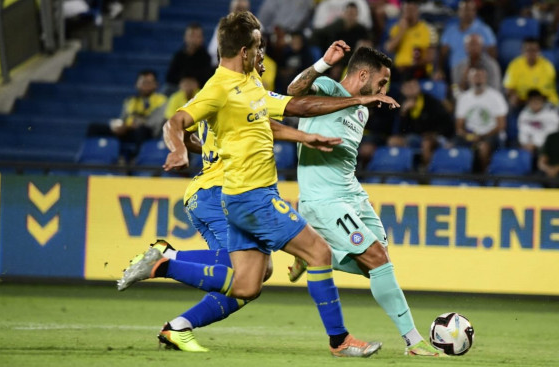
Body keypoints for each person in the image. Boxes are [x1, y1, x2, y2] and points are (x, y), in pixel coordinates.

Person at [118, 11, 387, 358]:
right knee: (318, 253)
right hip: (250, 196)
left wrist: (308, 134)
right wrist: (178, 150)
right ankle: (340, 341)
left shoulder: (249, 85)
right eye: (259, 47)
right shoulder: (218, 89)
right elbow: (177, 120)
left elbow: (287, 108)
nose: (263, 54)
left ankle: (166, 268)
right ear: (244, 51)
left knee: (247, 284)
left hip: (236, 196)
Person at [285, 46, 440, 356]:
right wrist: (323, 64)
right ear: (364, 75)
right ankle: (413, 341)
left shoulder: (363, 111)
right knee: (375, 257)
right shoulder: (329, 88)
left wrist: (364, 101)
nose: (383, 91)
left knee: (379, 261)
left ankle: (312, 250)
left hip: (352, 193)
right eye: (382, 83)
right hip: (324, 199)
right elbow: (293, 91)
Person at [454, 68, 508, 172]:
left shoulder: (495, 96)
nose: (478, 79)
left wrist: (482, 136)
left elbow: (501, 125)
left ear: (486, 78)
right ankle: (460, 177)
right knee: (451, 147)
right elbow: (459, 126)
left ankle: (483, 177)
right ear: (469, 79)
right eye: (475, 76)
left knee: (483, 147)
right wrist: (468, 135)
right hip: (470, 134)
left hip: (491, 134)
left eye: (481, 76)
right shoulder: (464, 98)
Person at [395, 78, 454, 167]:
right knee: (394, 141)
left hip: (437, 136)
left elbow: (447, 123)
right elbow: (400, 131)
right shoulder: (400, 104)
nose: (412, 89)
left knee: (426, 143)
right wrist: (403, 113)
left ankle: (428, 173)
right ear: (403, 90)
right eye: (408, 86)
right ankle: (402, 172)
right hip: (415, 138)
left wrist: (434, 134)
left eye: (414, 85)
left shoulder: (431, 101)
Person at [439, 0, 497, 77]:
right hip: (456, 72)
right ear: (459, 12)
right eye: (464, 10)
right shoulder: (450, 30)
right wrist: (439, 70)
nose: (467, 13)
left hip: (479, 72)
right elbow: (442, 54)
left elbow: (492, 53)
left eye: (470, 10)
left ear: (475, 12)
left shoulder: (484, 30)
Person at [383, 0, 437, 78]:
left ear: (418, 11)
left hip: (419, 70)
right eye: (407, 10)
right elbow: (388, 48)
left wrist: (411, 65)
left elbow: (431, 57)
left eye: (412, 10)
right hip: (398, 71)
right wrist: (401, 32)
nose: (410, 14)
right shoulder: (396, 28)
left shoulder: (428, 29)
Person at [503, 38, 559, 110]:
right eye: (528, 50)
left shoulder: (547, 66)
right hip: (522, 103)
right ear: (522, 51)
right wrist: (514, 96)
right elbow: (508, 88)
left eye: (534, 50)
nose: (531, 53)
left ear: (539, 51)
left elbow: (543, 94)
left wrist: (531, 102)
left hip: (545, 103)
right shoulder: (514, 65)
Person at [165, 23, 213, 93]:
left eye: (197, 36)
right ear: (185, 37)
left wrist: (194, 83)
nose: (194, 39)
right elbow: (170, 77)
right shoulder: (179, 56)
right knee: (167, 89)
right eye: (191, 36)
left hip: (199, 89)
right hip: (179, 88)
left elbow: (207, 78)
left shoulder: (206, 57)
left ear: (202, 39)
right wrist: (182, 82)